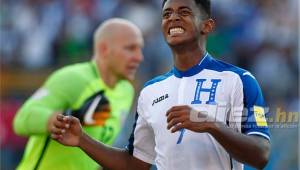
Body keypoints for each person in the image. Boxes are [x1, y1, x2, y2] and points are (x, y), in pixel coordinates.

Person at [51, 0, 271, 169]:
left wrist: (211, 125)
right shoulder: (150, 91)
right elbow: (134, 164)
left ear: (207, 25)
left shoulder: (239, 80)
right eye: (167, 14)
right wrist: (82, 140)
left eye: (184, 12)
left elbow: (261, 155)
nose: (173, 18)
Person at [13, 18, 144, 170]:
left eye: (140, 49)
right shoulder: (74, 78)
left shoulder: (126, 91)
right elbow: (22, 118)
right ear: (104, 49)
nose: (139, 57)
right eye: (130, 48)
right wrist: (59, 122)